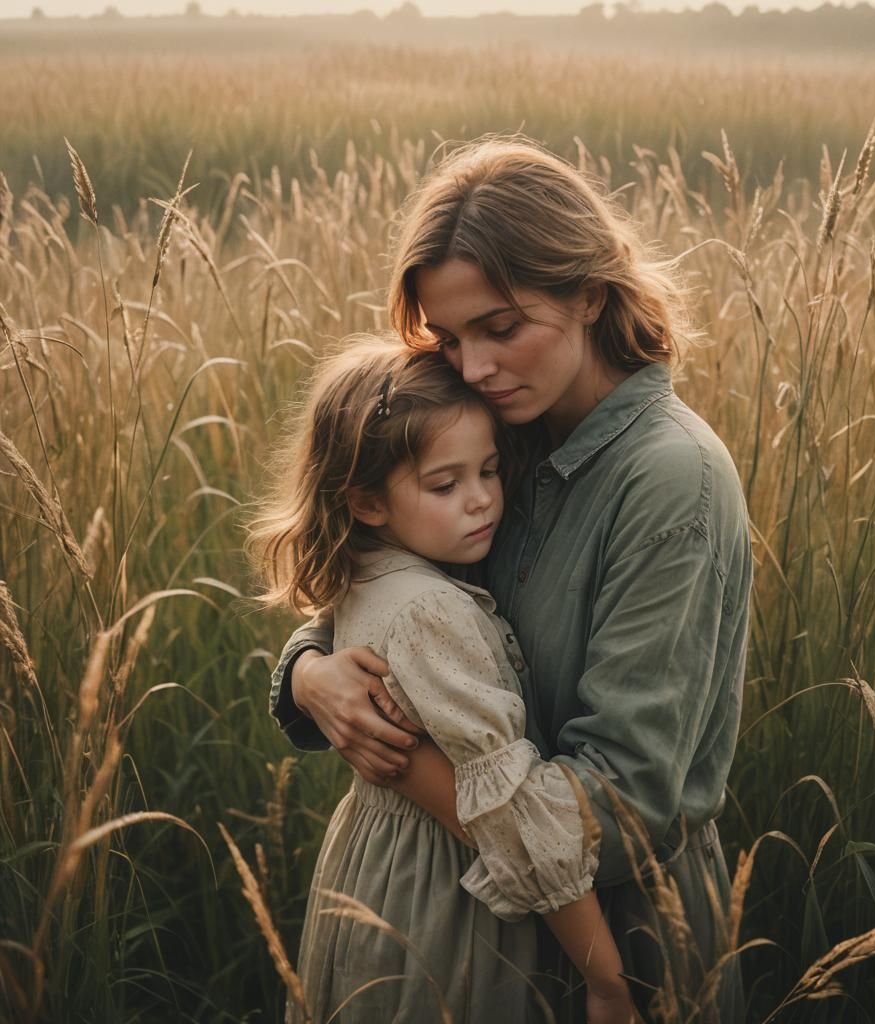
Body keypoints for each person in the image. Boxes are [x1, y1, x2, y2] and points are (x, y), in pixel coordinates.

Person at [269, 139, 752, 1022]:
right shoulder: (491, 429)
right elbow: (387, 580)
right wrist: (310, 673)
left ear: (590, 295)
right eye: (450, 338)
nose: (475, 367)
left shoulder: (670, 479)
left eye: (501, 327)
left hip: (624, 927)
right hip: (483, 915)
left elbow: (631, 790)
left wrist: (410, 761)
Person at [249, 336, 637, 1024]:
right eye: (446, 484)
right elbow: (509, 812)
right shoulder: (431, 610)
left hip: (372, 873)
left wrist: (306, 671)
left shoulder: (370, 568)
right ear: (366, 503)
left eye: (489, 471)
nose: (483, 500)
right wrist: (605, 978)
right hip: (447, 895)